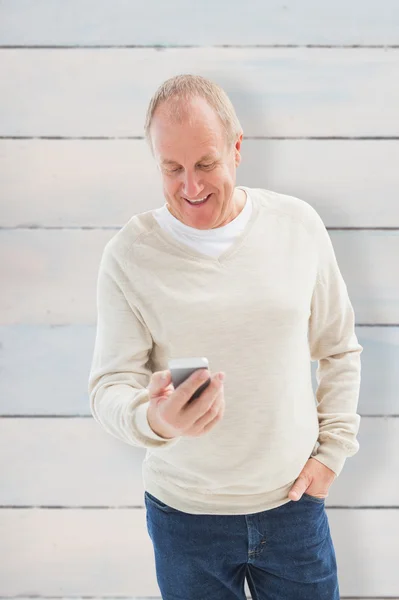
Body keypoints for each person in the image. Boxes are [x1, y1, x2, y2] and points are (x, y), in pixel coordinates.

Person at [88, 74, 362, 600]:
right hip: (184, 518)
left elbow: (339, 349)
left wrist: (332, 454)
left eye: (206, 164)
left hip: (293, 507)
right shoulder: (129, 254)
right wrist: (155, 419)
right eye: (172, 169)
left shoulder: (297, 226)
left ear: (237, 149)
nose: (190, 187)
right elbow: (109, 387)